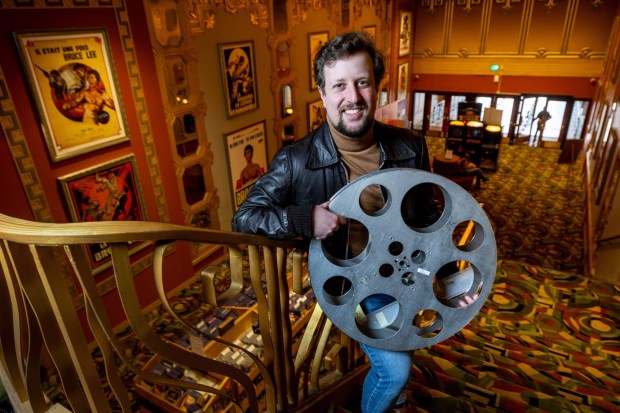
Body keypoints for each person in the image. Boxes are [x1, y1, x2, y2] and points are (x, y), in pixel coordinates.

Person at [233, 32, 474, 412]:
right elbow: (244, 217)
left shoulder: (410, 146)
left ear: (376, 87)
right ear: (323, 93)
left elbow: (431, 224)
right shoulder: (296, 160)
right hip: (353, 284)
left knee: (403, 350)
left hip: (405, 270)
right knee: (395, 370)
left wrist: (450, 280)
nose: (353, 97)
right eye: (340, 85)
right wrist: (304, 217)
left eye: (362, 82)